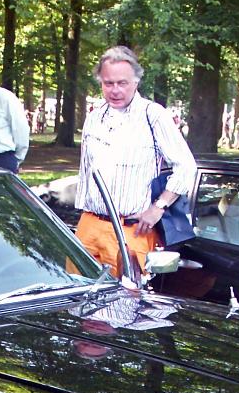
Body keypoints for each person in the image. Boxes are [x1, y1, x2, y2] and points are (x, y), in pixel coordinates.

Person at [74, 46, 195, 276]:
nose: (115, 90)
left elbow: (186, 167)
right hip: (89, 226)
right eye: (108, 83)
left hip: (130, 230)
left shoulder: (153, 115)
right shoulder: (94, 117)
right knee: (77, 301)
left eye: (122, 83)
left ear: (136, 82)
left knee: (124, 305)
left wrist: (158, 207)